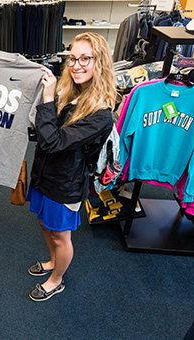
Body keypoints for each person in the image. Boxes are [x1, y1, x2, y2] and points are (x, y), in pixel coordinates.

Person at [26, 32, 116, 301]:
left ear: (99, 62)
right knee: (44, 223)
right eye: (72, 58)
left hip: (65, 183)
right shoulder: (70, 91)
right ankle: (53, 262)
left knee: (60, 236)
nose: (76, 65)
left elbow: (53, 142)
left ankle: (56, 279)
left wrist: (48, 99)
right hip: (44, 173)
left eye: (85, 58)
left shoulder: (100, 114)